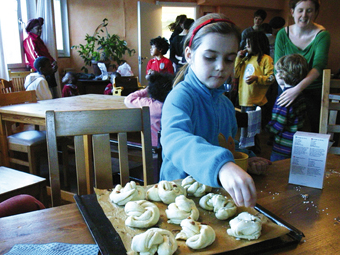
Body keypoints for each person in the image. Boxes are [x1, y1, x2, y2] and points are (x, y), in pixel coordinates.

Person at [160, 13, 271, 208]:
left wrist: (246, 158)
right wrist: (222, 166)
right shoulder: (180, 97)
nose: (220, 67)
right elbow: (174, 140)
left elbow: (228, 143)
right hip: (179, 200)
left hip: (214, 198)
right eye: (210, 57)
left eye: (229, 59)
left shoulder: (226, 104)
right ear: (189, 54)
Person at [275, 0, 331, 133]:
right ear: (292, 12)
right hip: (285, 86)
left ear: (316, 13)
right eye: (300, 10)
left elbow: (318, 66)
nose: (304, 15)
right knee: (284, 130)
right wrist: (286, 90)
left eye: (309, 10)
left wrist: (297, 89)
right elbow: (277, 67)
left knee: (314, 130)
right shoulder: (282, 34)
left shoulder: (322, 35)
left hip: (312, 88)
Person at [267, 54, 309, 161]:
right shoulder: (300, 95)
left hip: (283, 146)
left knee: (277, 170)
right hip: (297, 143)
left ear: (282, 75)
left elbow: (279, 123)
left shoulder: (283, 99)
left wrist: (267, 129)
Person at [124, 72, 174, 147]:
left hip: (151, 146)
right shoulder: (174, 105)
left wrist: (146, 90)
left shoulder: (149, 104)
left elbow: (128, 99)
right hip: (170, 145)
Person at [23, 17, 59, 98]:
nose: (40, 31)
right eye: (37, 28)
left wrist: (53, 62)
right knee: (46, 93)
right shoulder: (29, 40)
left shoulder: (40, 41)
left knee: (53, 91)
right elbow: (35, 58)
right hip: (40, 69)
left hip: (46, 67)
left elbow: (47, 54)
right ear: (31, 29)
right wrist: (47, 67)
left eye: (40, 29)